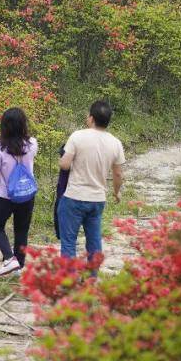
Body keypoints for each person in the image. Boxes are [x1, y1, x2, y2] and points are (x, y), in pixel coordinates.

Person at [57, 100, 125, 264]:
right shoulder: (115, 143)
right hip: (97, 200)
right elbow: (118, 175)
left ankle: (69, 281)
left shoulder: (77, 136)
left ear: (91, 118)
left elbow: (65, 164)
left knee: (68, 243)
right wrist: (116, 192)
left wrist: (64, 158)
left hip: (74, 197)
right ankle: (91, 280)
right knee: (94, 244)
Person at [0, 108, 38, 276]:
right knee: (21, 229)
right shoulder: (32, 143)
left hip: (5, 195)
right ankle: (20, 265)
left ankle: (10, 259)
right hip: (26, 193)